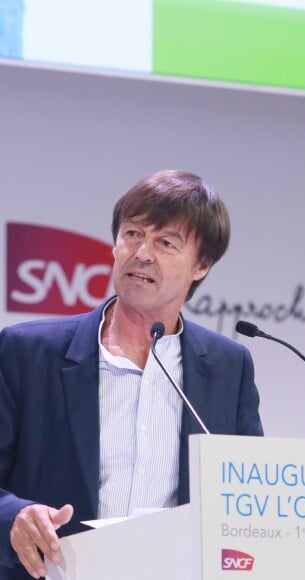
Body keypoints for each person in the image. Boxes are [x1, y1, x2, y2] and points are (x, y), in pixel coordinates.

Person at [0, 169, 264, 579]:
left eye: (166, 243)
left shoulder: (229, 369)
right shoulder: (27, 353)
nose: (142, 253)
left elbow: (249, 498)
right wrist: (14, 516)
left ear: (202, 265)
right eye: (133, 234)